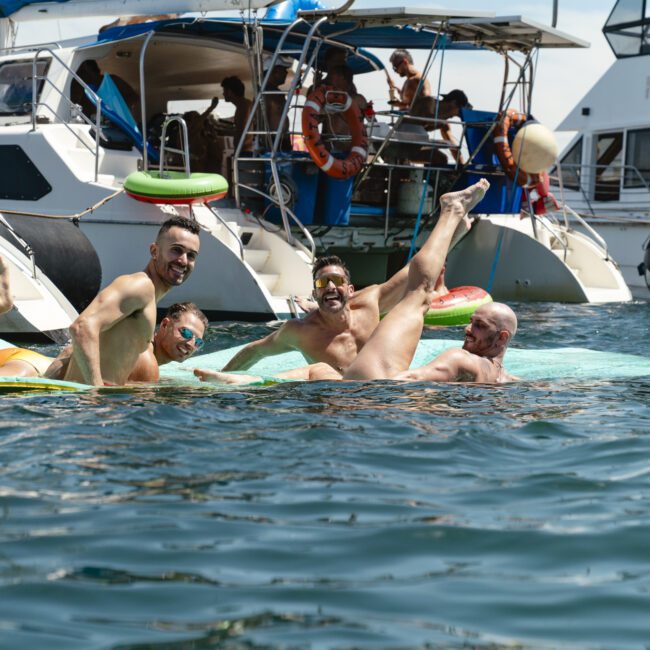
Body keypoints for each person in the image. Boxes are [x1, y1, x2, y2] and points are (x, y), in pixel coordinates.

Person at [196, 179, 518, 386]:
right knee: (419, 295)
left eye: (336, 281)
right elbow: (257, 350)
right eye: (322, 286)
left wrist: (453, 234)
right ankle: (451, 210)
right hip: (372, 386)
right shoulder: (300, 330)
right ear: (315, 294)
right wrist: (229, 369)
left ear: (351, 290)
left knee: (418, 291)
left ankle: (452, 215)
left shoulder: (370, 302)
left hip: (364, 388)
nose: (330, 288)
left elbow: (412, 274)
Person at [61, 216, 201, 386]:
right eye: (176, 250)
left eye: (191, 255)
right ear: (154, 251)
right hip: (86, 405)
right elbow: (82, 327)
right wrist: (95, 393)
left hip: (101, 404)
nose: (184, 260)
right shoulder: (140, 286)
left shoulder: (149, 297)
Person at [411, 90, 471, 164]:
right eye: (458, 111)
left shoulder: (443, 122)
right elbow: (429, 119)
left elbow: (452, 145)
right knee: (438, 157)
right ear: (453, 103)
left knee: (442, 158)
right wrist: (449, 114)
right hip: (402, 141)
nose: (452, 116)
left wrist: (461, 165)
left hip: (415, 145)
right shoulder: (430, 101)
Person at [322, 64, 368, 154]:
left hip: (352, 148)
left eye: (332, 77)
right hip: (330, 147)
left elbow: (370, 117)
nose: (329, 80)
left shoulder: (358, 100)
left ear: (341, 78)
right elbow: (314, 116)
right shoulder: (327, 98)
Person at [221, 76, 253, 154]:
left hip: (245, 152)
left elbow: (242, 131)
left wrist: (237, 152)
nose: (223, 93)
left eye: (224, 90)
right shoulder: (243, 105)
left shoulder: (244, 106)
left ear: (230, 92)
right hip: (243, 150)